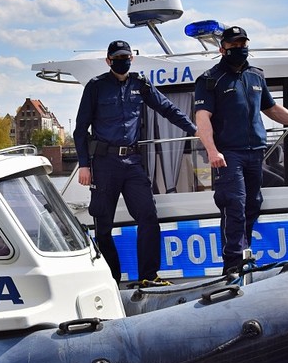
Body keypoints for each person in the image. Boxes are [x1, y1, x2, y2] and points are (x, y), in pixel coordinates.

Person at [194, 26, 288, 274]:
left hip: (255, 152)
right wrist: (212, 151)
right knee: (234, 205)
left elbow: (273, 110)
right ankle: (233, 265)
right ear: (222, 49)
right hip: (228, 154)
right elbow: (202, 118)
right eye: (234, 45)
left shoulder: (256, 76)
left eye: (243, 44)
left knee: (252, 204)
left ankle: (245, 254)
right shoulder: (210, 79)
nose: (239, 48)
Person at [73, 40, 197, 284]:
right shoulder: (96, 87)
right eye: (117, 57)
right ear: (108, 61)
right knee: (103, 226)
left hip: (132, 162)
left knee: (148, 216)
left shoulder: (141, 85)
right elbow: (80, 130)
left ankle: (148, 276)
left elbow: (167, 109)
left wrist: (195, 129)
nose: (122, 61)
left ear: (132, 59)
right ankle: (112, 280)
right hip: (104, 164)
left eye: (126, 57)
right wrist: (84, 165)